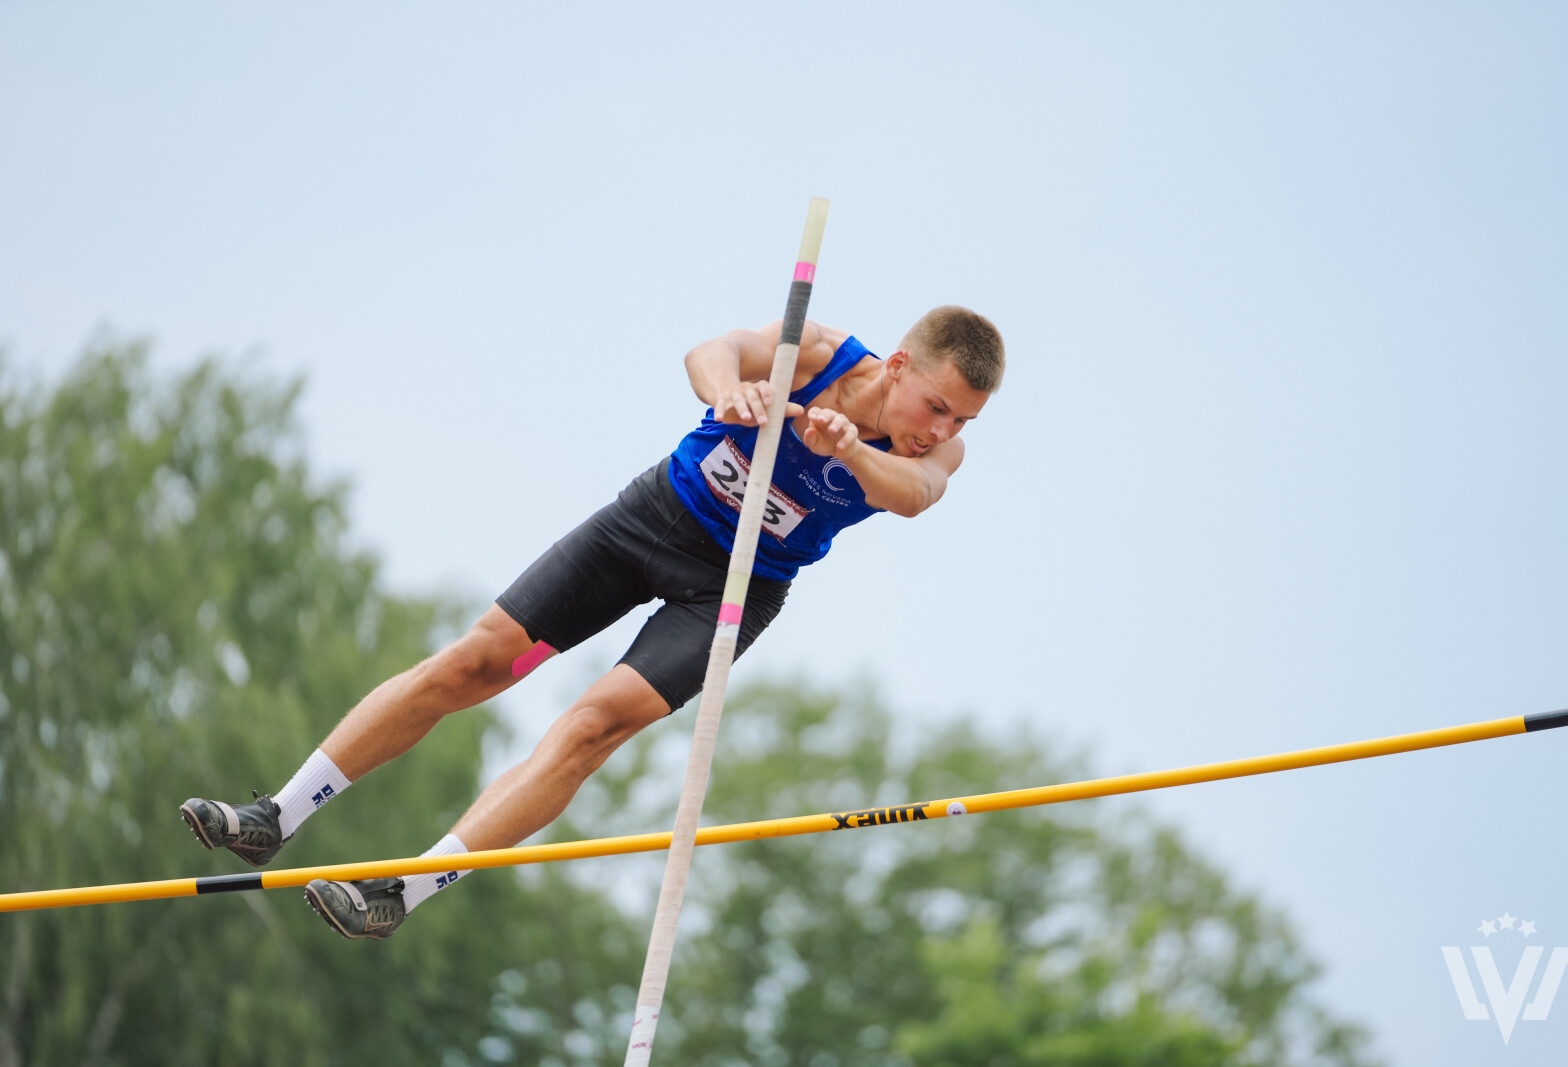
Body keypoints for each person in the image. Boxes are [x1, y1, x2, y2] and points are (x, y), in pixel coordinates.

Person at [180, 306, 1004, 940]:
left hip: (728, 590)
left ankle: (402, 892)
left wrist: (850, 451)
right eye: (936, 406)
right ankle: (275, 818)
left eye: (960, 420)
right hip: (647, 522)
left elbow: (915, 494)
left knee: (590, 727)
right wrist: (733, 391)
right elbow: (710, 352)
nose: (941, 430)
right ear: (896, 367)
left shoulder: (933, 454)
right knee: (475, 664)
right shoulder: (818, 354)